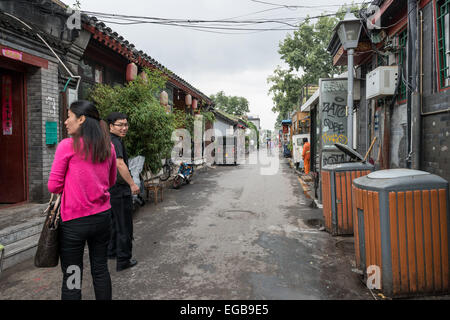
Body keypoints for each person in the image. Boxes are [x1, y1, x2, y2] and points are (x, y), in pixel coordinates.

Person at [48, 100, 117, 300]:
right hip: (103, 218)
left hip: (74, 222)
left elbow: (53, 186)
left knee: (73, 275)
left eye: (69, 116)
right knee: (100, 269)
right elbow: (111, 181)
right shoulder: (108, 147)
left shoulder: (67, 146)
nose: (65, 121)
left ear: (82, 119)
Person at [106, 112, 140, 272]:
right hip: (119, 190)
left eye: (126, 124)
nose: (124, 128)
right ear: (111, 126)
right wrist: (132, 184)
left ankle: (112, 252)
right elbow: (120, 164)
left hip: (110, 190)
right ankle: (123, 259)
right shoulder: (116, 143)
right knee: (124, 225)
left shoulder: (109, 140)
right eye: (120, 125)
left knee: (114, 223)